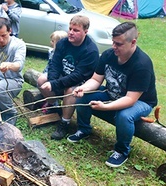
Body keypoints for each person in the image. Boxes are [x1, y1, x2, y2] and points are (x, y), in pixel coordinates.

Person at [67, 22, 157, 168]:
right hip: (112, 93)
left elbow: (130, 99)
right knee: (84, 95)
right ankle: (84, 129)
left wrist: (105, 107)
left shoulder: (142, 64)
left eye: (119, 44)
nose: (114, 47)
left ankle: (122, 151)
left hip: (141, 102)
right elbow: (96, 79)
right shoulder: (109, 55)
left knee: (124, 115)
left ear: (133, 42)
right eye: (113, 42)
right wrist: (83, 88)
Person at [37, 15, 99, 140]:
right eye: (70, 29)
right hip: (63, 76)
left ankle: (64, 123)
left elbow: (78, 76)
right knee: (41, 80)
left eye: (76, 30)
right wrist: (53, 81)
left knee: (70, 90)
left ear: (85, 32)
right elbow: (55, 64)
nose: (70, 33)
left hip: (81, 83)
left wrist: (54, 84)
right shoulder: (63, 43)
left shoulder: (90, 51)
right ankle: (54, 106)